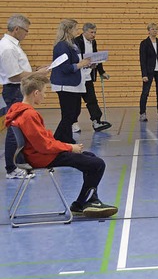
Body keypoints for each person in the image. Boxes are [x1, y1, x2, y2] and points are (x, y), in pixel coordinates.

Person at [4, 74, 118, 218]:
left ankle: (84, 202)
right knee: (98, 164)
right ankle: (87, 202)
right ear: (36, 93)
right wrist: (70, 147)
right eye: (44, 93)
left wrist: (65, 145)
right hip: (41, 157)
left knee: (90, 158)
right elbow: (44, 146)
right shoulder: (29, 115)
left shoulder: (18, 109)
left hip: (39, 154)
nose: (44, 96)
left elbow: (44, 140)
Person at [0, 14, 48, 179]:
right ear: (16, 29)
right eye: (26, 31)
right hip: (14, 91)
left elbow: (19, 69)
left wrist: (36, 71)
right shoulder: (7, 47)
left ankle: (19, 162)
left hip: (18, 89)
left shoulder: (13, 45)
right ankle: (11, 168)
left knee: (22, 129)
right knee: (15, 132)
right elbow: (14, 76)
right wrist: (36, 73)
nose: (27, 34)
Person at [50, 19, 92, 144]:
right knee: (69, 114)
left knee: (74, 112)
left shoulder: (72, 44)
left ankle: (65, 138)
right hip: (65, 85)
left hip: (74, 84)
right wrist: (81, 64)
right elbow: (65, 68)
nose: (77, 31)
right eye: (75, 28)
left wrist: (86, 64)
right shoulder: (62, 46)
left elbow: (76, 62)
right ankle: (57, 138)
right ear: (68, 30)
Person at [72, 23, 111, 133]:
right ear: (84, 32)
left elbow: (96, 57)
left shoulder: (93, 42)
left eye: (95, 32)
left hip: (88, 75)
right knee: (76, 102)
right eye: (91, 32)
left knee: (92, 100)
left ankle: (96, 121)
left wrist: (101, 72)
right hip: (78, 76)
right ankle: (74, 123)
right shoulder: (76, 42)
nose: (94, 35)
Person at [139, 23, 158, 122]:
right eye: (152, 29)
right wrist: (144, 74)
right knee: (145, 92)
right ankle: (142, 113)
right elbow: (142, 60)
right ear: (148, 31)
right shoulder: (144, 43)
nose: (155, 31)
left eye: (156, 29)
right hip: (149, 71)